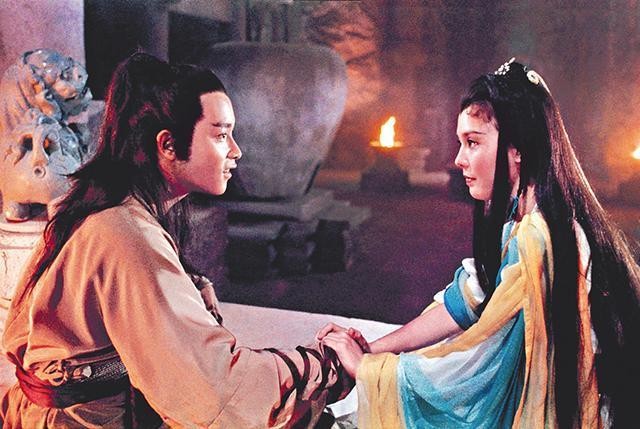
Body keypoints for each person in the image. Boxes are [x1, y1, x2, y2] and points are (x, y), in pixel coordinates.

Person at [1, 52, 350, 428]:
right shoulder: (123, 233)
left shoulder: (119, 211)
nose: (236, 151)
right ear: (167, 145)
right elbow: (214, 388)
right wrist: (327, 366)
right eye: (221, 135)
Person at [319, 58, 640, 428]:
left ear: (519, 148)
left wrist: (369, 369)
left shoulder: (541, 240)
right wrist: (372, 347)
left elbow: (478, 364)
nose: (459, 159)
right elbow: (468, 300)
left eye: (473, 142)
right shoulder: (526, 222)